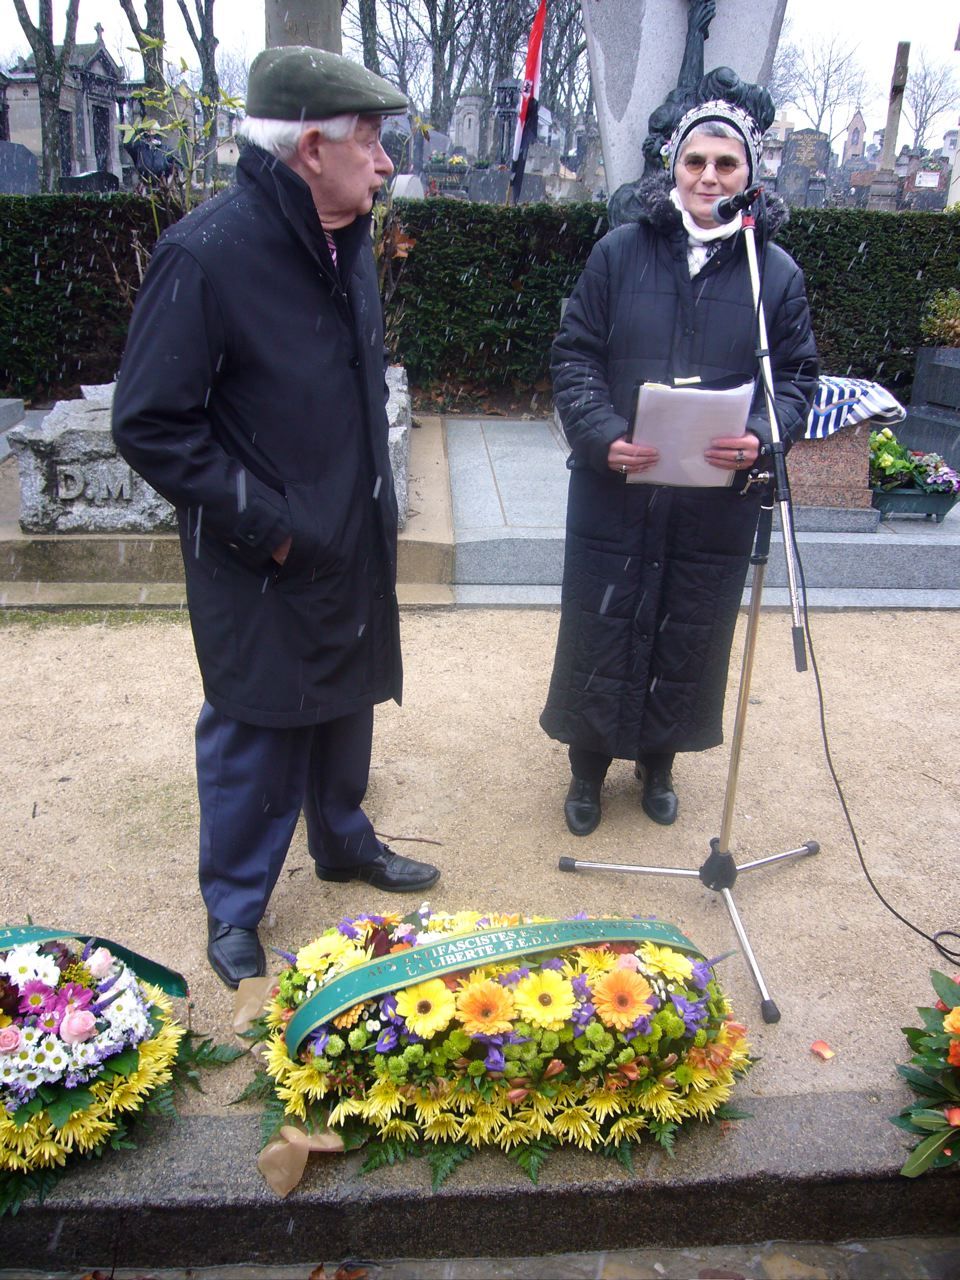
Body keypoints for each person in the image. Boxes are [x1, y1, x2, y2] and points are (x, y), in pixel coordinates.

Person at [112, 46, 440, 989]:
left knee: (345, 700)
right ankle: (236, 906)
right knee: (257, 722)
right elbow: (150, 423)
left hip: (347, 527)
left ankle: (341, 839)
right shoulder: (206, 256)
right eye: (369, 141)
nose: (384, 163)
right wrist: (272, 523)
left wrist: (364, 510)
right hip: (262, 551)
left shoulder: (346, 235)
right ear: (309, 149)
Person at [541, 99, 818, 837]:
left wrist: (761, 433)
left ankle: (660, 763)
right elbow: (575, 355)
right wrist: (601, 434)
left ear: (748, 175)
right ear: (674, 168)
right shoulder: (618, 252)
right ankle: (587, 768)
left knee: (687, 626)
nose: (708, 176)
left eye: (726, 164)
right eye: (695, 161)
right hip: (618, 486)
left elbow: (796, 379)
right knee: (604, 622)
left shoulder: (775, 273)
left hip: (712, 496)